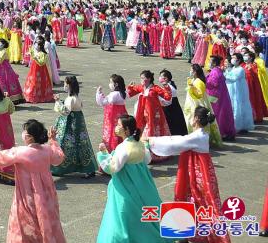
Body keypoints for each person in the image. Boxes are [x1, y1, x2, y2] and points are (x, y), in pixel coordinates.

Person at [0, 119, 67, 243]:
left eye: (25, 132)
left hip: (27, 195)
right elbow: (59, 157)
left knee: (26, 225)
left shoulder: (20, 152)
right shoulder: (47, 150)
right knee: (47, 222)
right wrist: (53, 140)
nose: (23, 134)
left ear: (30, 137)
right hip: (47, 195)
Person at [149, 107, 231, 243]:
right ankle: (187, 233)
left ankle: (203, 235)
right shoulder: (200, 135)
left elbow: (176, 143)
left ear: (197, 119)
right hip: (198, 172)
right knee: (197, 201)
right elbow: (180, 139)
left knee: (199, 201)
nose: (191, 118)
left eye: (193, 116)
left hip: (198, 174)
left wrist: (151, 141)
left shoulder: (197, 136)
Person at [95, 114, 163, 242]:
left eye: (119, 125)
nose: (116, 127)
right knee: (144, 209)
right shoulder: (140, 144)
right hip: (143, 184)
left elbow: (112, 168)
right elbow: (147, 160)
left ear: (126, 130)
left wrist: (103, 154)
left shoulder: (123, 148)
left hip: (125, 186)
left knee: (123, 214)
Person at [51, 76, 97, 177]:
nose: (64, 86)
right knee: (80, 144)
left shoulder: (71, 98)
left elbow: (66, 111)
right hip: (77, 123)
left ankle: (60, 168)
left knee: (65, 144)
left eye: (65, 84)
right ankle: (88, 168)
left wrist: (58, 101)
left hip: (70, 125)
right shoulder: (76, 97)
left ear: (70, 86)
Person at [126, 70, 171, 162]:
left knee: (153, 133)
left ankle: (155, 154)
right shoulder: (141, 88)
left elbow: (167, 96)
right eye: (141, 78)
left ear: (149, 79)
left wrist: (166, 86)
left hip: (154, 115)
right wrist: (130, 87)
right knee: (143, 132)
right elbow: (130, 93)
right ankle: (145, 154)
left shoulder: (155, 88)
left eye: (143, 78)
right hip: (143, 114)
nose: (142, 80)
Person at [184, 63, 223, 148]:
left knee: (197, 122)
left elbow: (199, 95)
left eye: (191, 70)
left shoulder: (199, 82)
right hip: (191, 104)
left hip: (197, 105)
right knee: (191, 122)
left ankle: (200, 140)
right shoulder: (193, 80)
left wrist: (192, 87)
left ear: (195, 72)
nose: (190, 71)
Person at [95, 74, 128, 154]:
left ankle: (111, 152)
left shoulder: (114, 94)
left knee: (111, 135)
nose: (109, 84)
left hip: (112, 119)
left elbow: (103, 102)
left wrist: (99, 93)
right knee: (120, 135)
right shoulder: (123, 93)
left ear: (116, 84)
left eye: (111, 82)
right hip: (120, 118)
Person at [0, 38, 24, 104]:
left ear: (3, 45)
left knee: (4, 82)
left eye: (0, 43)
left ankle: (6, 97)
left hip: (3, 70)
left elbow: (0, 61)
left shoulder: (4, 51)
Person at [207, 55, 236, 140]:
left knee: (220, 115)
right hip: (221, 97)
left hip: (217, 98)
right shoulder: (216, 70)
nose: (209, 63)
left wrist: (203, 80)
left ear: (214, 63)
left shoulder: (215, 71)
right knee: (223, 115)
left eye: (210, 61)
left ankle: (223, 133)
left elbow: (213, 83)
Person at [225, 52, 254, 133]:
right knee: (234, 107)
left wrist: (223, 76)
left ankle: (241, 126)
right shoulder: (233, 68)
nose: (232, 59)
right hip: (233, 91)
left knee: (240, 108)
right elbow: (229, 75)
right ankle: (234, 125)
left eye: (234, 58)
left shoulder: (241, 69)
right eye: (232, 57)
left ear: (239, 60)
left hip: (240, 92)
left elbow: (233, 78)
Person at [24, 38, 55, 103]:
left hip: (40, 70)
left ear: (40, 46)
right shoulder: (37, 52)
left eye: (36, 45)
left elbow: (42, 63)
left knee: (38, 82)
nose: (35, 46)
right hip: (34, 69)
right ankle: (31, 94)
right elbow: (33, 57)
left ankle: (39, 96)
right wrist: (31, 50)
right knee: (33, 81)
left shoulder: (43, 54)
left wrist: (36, 59)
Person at [158, 69, 188, 136]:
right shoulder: (169, 85)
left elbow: (165, 100)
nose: (159, 78)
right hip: (173, 107)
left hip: (170, 109)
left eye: (160, 76)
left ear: (165, 78)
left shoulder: (169, 87)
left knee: (172, 125)